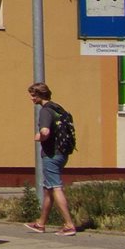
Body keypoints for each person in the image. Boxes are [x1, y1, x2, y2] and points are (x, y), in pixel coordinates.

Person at [25, 82, 78, 236]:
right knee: (48, 189)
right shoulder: (58, 108)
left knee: (55, 187)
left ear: (40, 95)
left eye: (33, 95)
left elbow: (46, 131)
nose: (31, 98)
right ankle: (40, 224)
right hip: (62, 153)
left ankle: (69, 225)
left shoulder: (45, 111)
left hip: (51, 154)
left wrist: (39, 136)